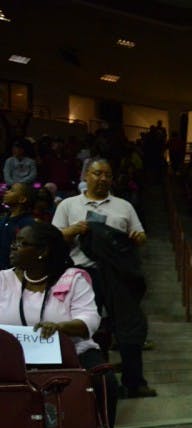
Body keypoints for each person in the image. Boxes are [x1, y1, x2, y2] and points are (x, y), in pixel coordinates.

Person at [52, 158, 155, 399]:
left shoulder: (124, 206)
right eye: (97, 173)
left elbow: (140, 236)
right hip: (83, 275)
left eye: (107, 174)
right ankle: (97, 382)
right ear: (86, 175)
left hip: (119, 275)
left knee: (129, 328)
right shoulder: (68, 205)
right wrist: (73, 231)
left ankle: (134, 382)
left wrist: (137, 237)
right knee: (89, 329)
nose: (103, 178)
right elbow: (54, 238)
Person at [1, 223, 118, 426]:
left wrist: (60, 327)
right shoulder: (3, 280)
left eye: (21, 243)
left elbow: (89, 319)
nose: (13, 247)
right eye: (14, 242)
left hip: (71, 352)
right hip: (14, 357)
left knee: (105, 380)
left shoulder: (72, 278)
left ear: (43, 251)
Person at [0, 182, 36, 270]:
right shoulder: (3, 219)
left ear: (22, 199)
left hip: (14, 271)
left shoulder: (28, 224)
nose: (6, 192)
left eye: (11, 190)